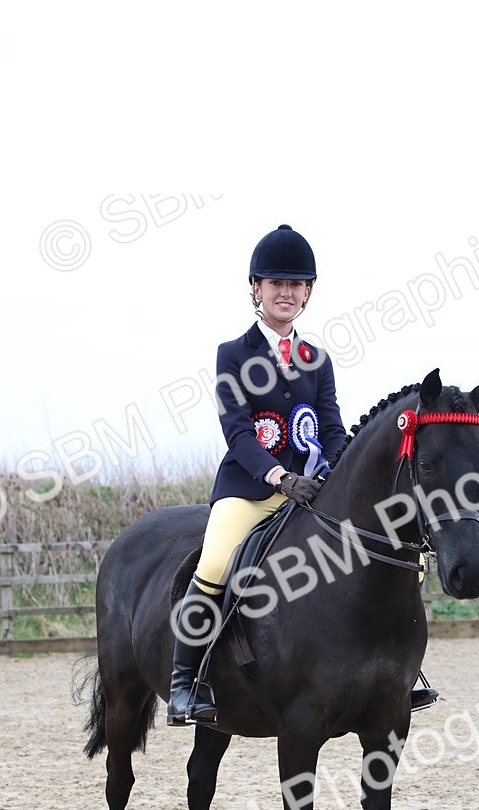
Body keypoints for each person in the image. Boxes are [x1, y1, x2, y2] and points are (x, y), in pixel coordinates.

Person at [167, 224, 437, 726]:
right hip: (250, 489)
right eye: (276, 284)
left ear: (308, 293)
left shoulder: (317, 360)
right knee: (215, 564)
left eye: (296, 285)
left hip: (313, 491)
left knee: (398, 560)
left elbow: (333, 429)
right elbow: (238, 432)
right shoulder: (234, 353)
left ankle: (401, 673)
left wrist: (335, 475)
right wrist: (276, 476)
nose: (286, 293)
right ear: (256, 289)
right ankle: (188, 682)